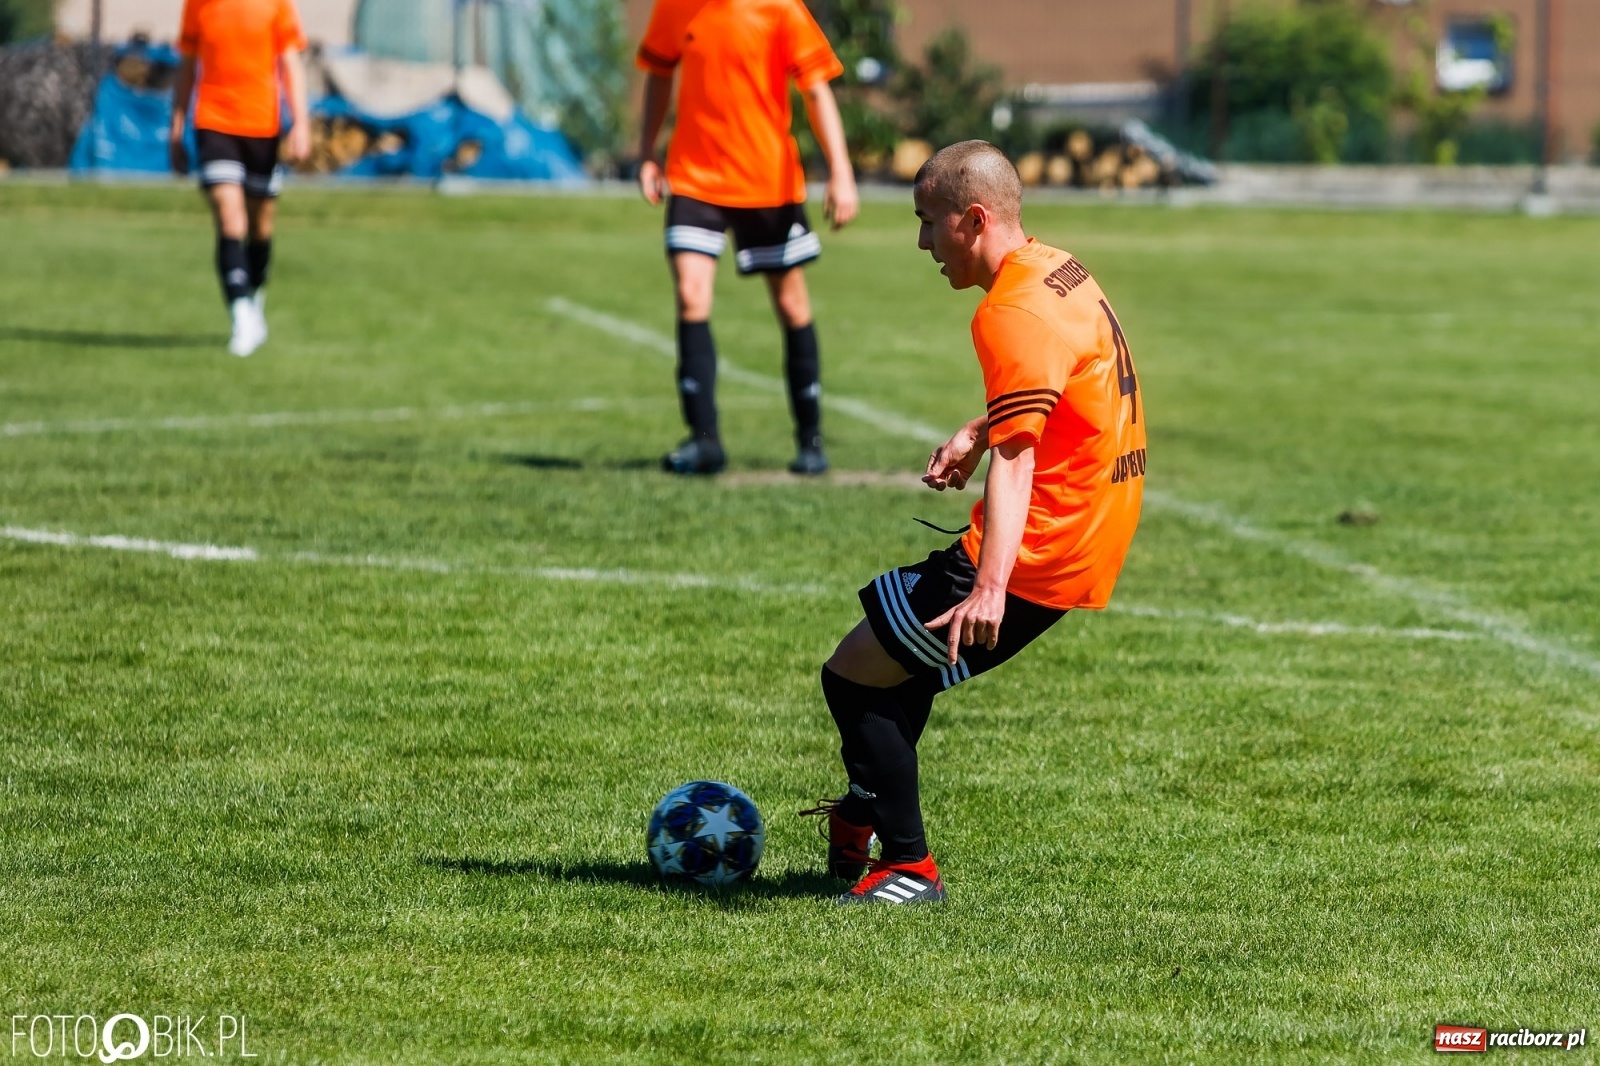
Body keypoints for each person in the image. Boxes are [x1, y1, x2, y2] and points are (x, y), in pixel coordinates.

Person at [804, 141, 1147, 905]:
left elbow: (1021, 463)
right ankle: (863, 810)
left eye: (929, 223)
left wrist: (989, 583)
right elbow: (1065, 384)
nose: (922, 243)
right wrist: (979, 428)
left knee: (852, 678)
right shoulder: (1058, 270)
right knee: (900, 669)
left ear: (974, 219)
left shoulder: (1009, 311)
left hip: (1033, 552)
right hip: (1086, 538)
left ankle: (910, 868)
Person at [634, 0, 859, 475]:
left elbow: (816, 90)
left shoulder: (780, 8)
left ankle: (810, 439)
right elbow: (658, 74)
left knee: (792, 305)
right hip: (694, 179)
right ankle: (704, 441)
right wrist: (647, 153)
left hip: (766, 184)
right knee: (691, 296)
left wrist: (840, 172)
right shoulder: (675, 8)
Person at [169, 0, 311, 358]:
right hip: (214, 122)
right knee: (229, 216)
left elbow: (290, 61)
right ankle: (241, 315)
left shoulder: (276, 4)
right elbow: (187, 65)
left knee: (260, 225)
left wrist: (301, 123)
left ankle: (253, 295)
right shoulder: (198, 5)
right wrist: (176, 127)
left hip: (262, 124)